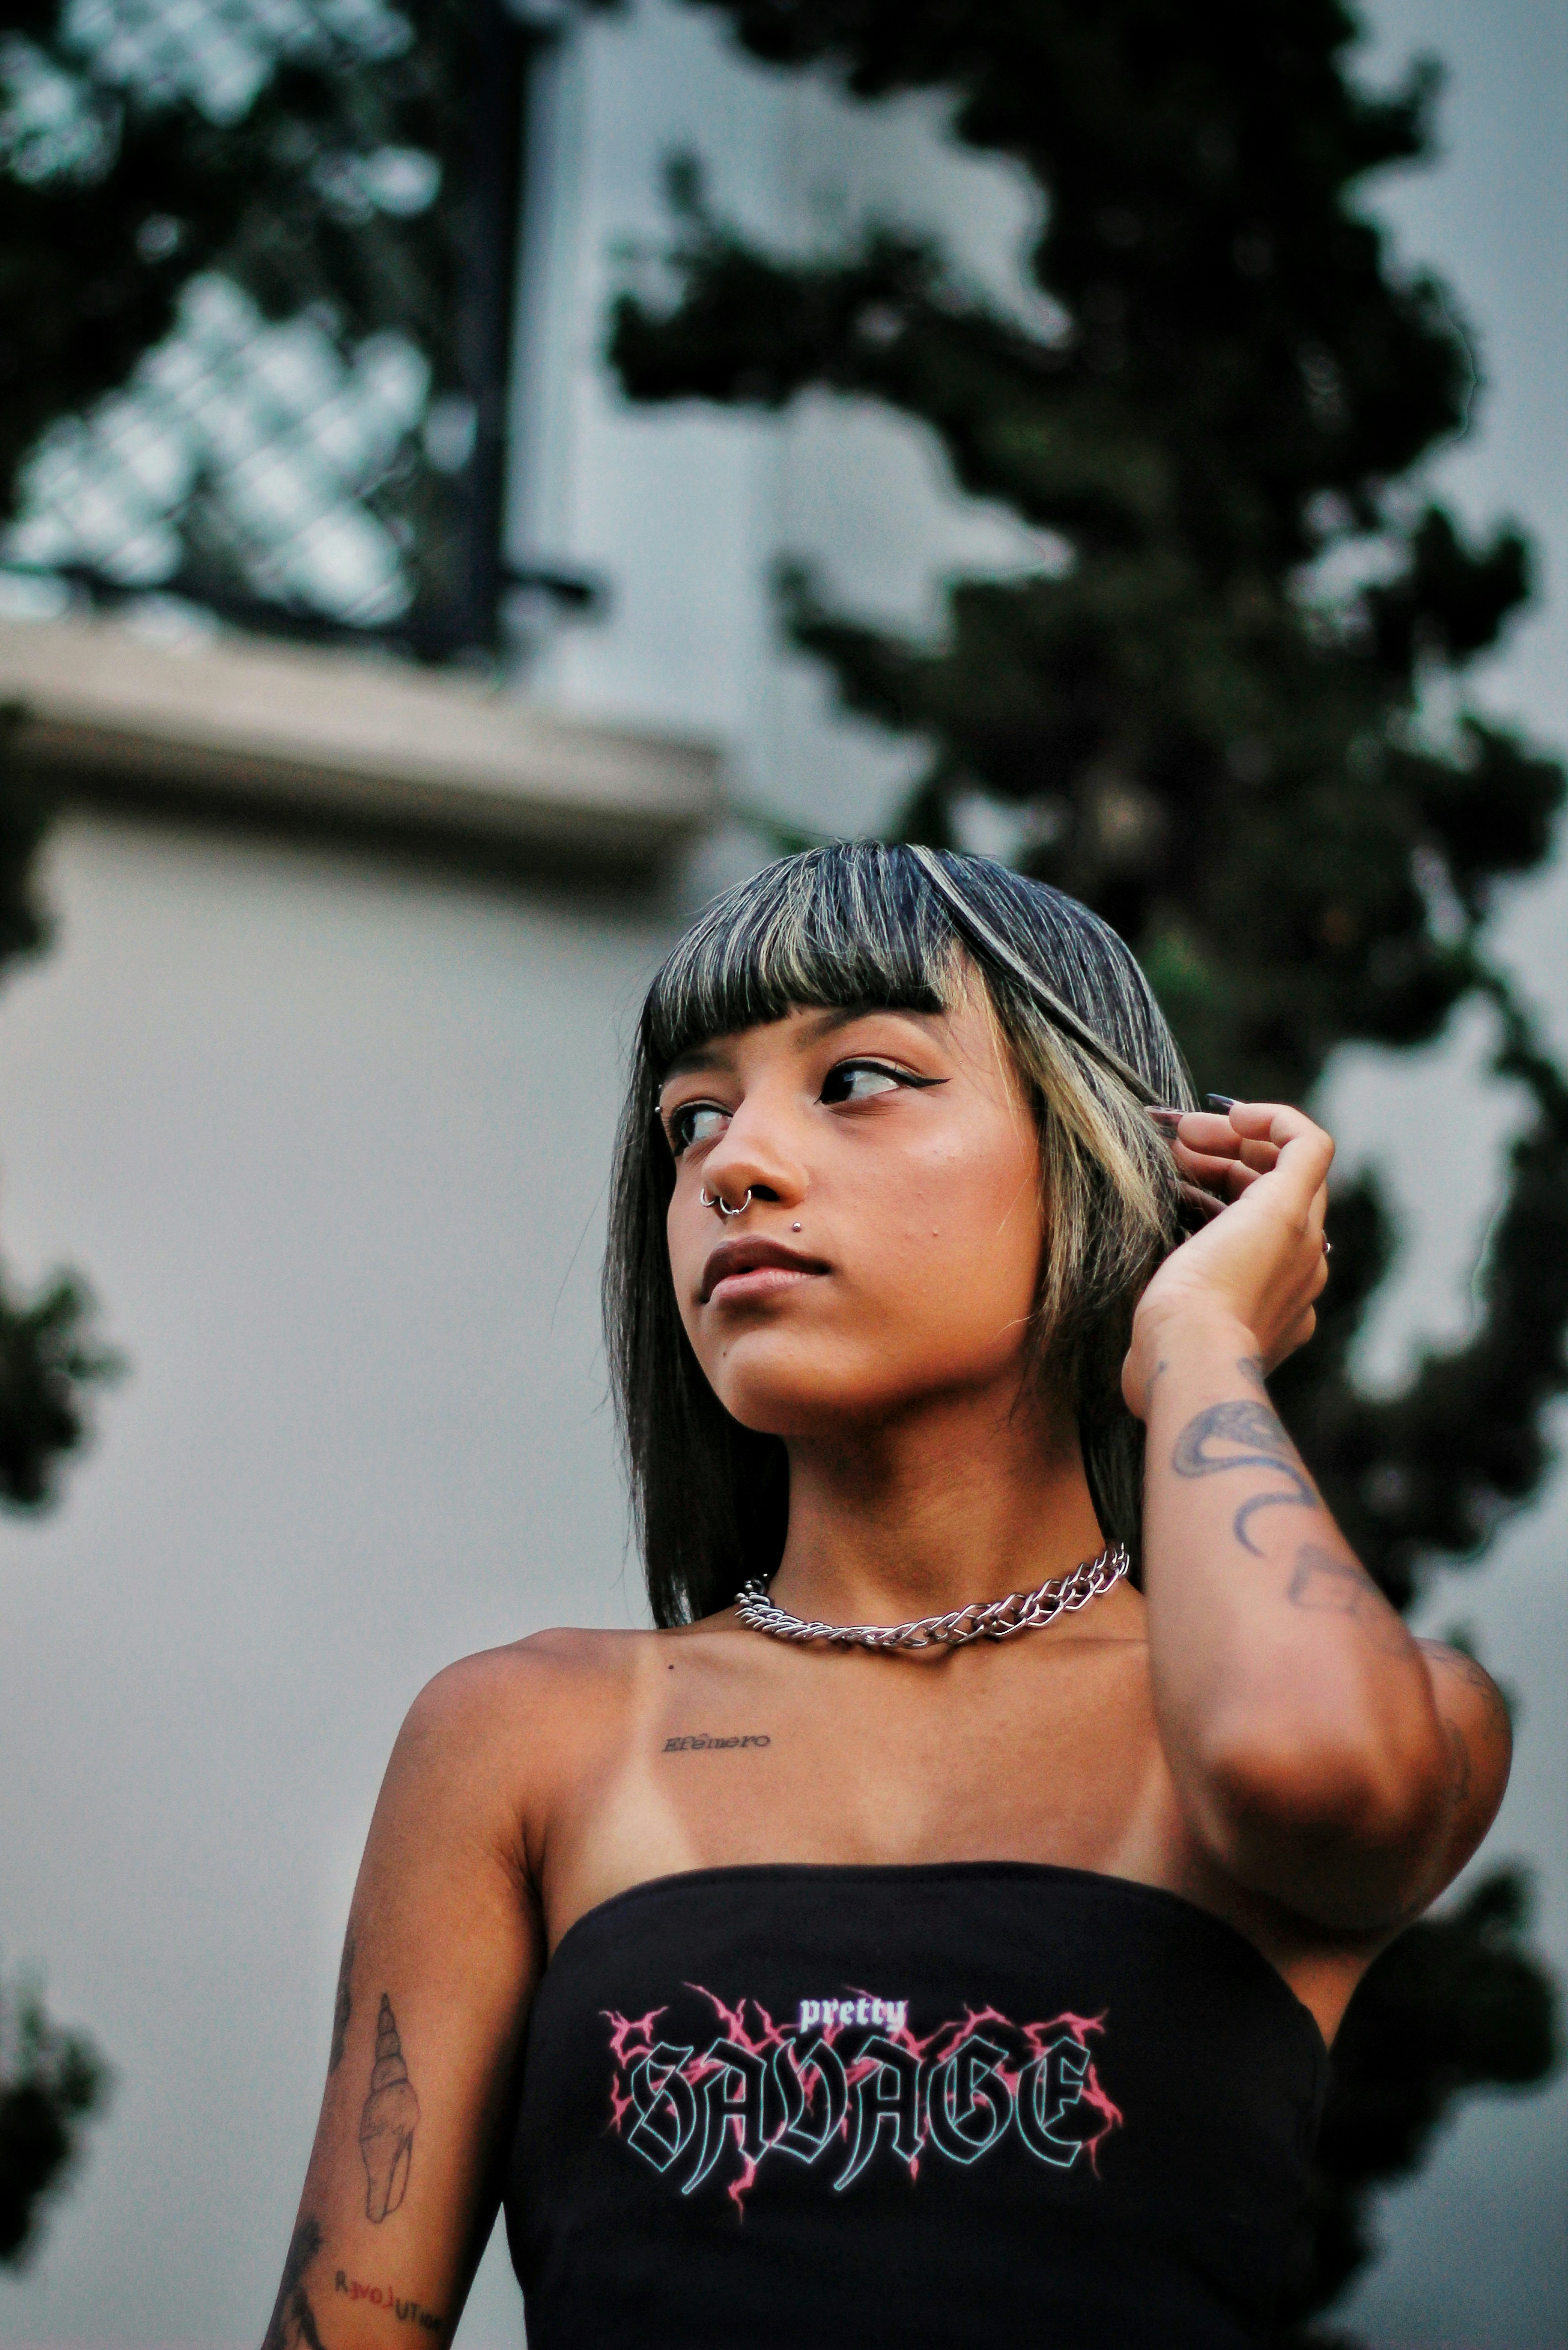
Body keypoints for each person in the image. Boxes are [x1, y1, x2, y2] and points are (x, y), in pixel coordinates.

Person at [261, 843, 1509, 2350]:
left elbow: (1312, 1771)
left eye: (857, 1080)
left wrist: (1195, 1338)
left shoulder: (1364, 1707)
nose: (731, 1164)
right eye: (693, 1117)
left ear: (1097, 1156)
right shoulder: (524, 1742)